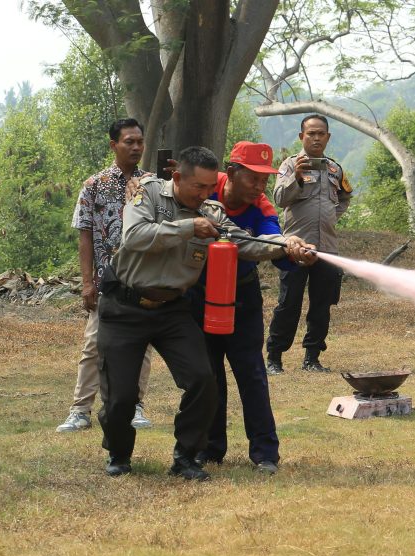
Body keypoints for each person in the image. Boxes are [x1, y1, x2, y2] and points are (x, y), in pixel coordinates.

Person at [98, 146, 316, 479]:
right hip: (125, 306)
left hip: (173, 310)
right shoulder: (149, 195)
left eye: (208, 187)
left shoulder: (211, 212)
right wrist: (188, 228)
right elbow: (134, 237)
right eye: (198, 187)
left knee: (203, 380)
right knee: (122, 396)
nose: (205, 194)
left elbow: (244, 243)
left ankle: (187, 457)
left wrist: (287, 245)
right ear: (177, 177)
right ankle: (119, 452)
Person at [184, 141, 309, 475]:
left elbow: (271, 238)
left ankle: (265, 453)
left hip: (243, 298)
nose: (259, 187)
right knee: (207, 375)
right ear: (233, 171)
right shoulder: (205, 192)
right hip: (199, 295)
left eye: (265, 180)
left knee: (251, 373)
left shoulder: (263, 205)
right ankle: (209, 449)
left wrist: (290, 245)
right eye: (253, 178)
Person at [57, 118, 156, 433]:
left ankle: (136, 406)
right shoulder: (94, 185)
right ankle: (80, 410)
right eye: (129, 141)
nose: (136, 147)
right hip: (105, 281)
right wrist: (87, 283)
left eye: (139, 141)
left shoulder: (153, 185)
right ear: (114, 145)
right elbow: (84, 236)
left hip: (143, 278)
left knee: (142, 345)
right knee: (94, 344)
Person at [266, 114, 353, 374]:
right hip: (295, 248)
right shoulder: (290, 165)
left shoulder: (335, 169)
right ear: (301, 136)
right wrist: (298, 178)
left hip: (326, 248)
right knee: (288, 303)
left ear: (328, 137)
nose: (316, 138)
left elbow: (346, 197)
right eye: (311, 133)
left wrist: (331, 217)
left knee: (321, 305)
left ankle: (312, 358)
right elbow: (280, 198)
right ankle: (275, 358)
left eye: (321, 133)